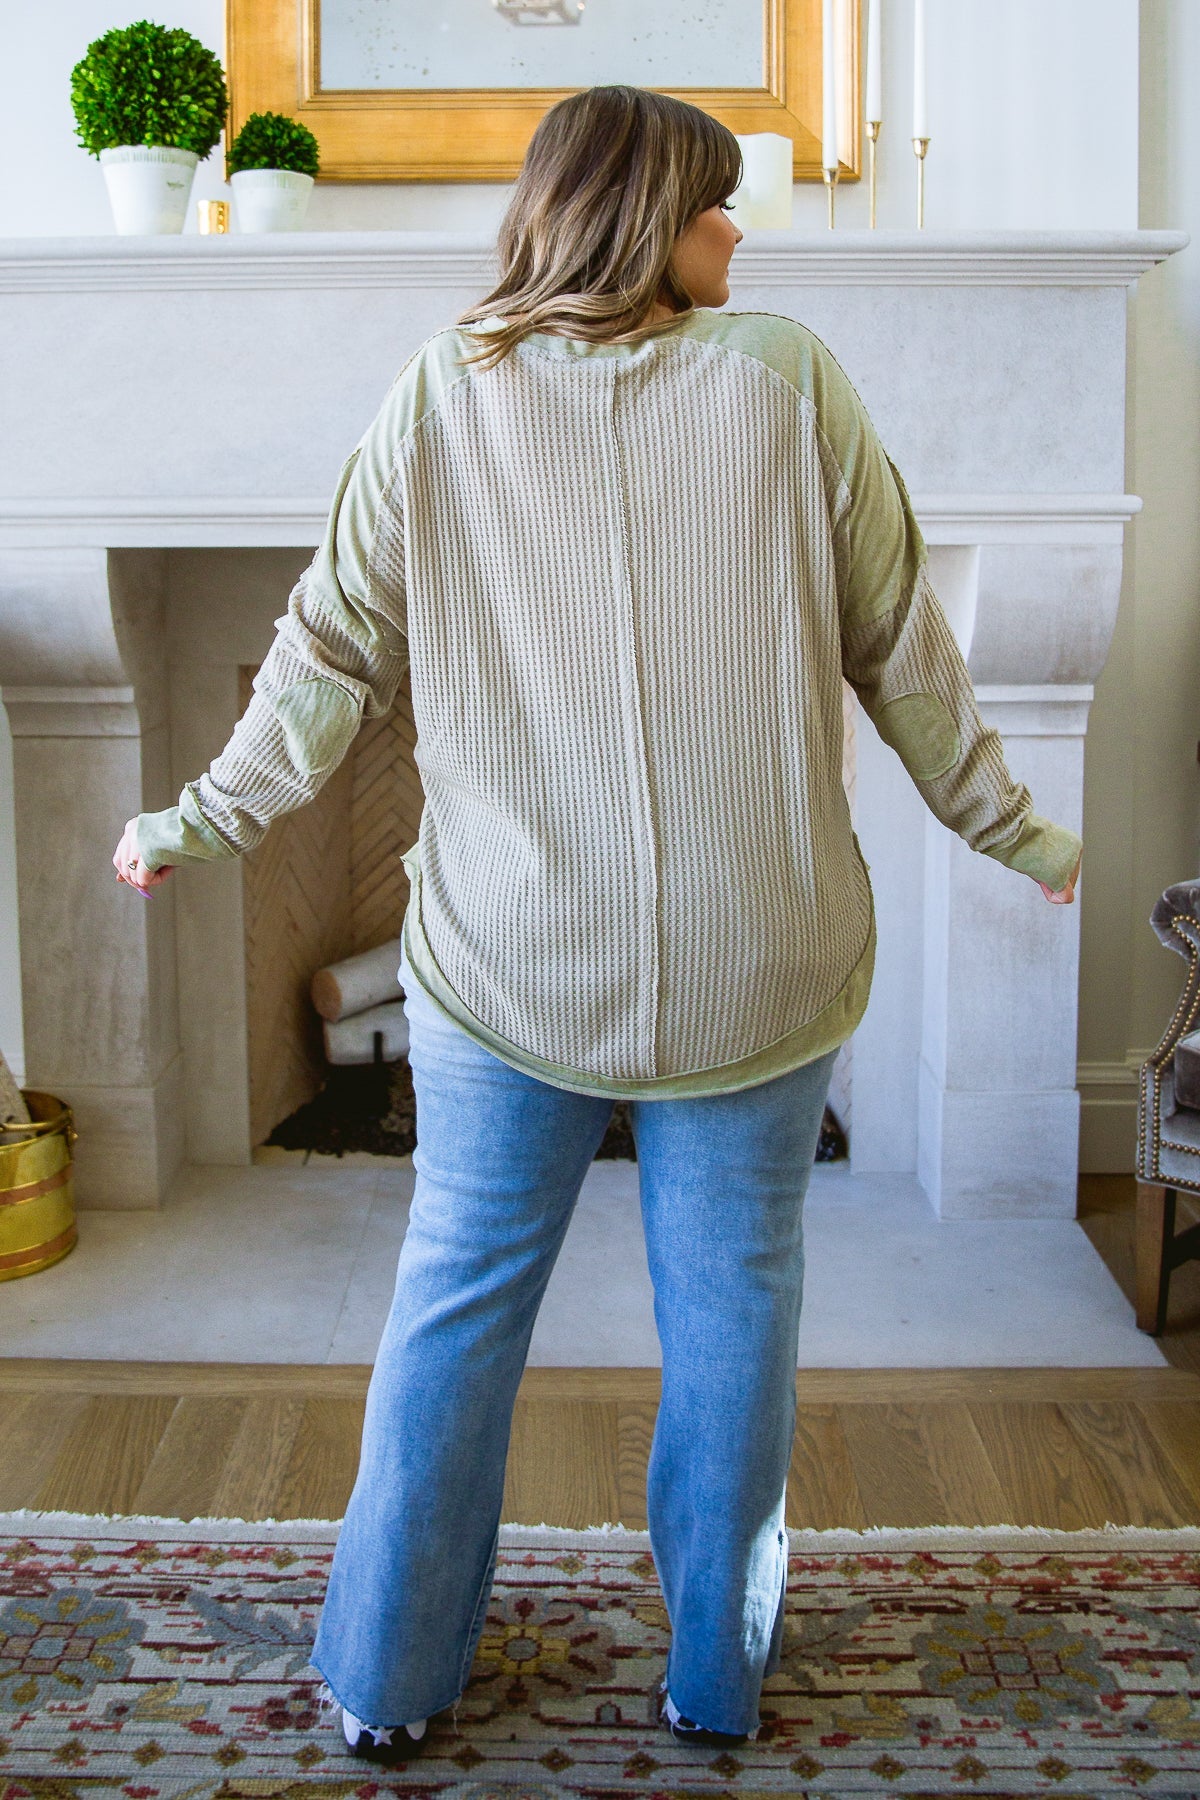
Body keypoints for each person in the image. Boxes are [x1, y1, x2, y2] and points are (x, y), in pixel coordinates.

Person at [113, 85, 1082, 1765]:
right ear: (643, 219)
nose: (734, 234)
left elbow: (323, 656)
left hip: (508, 958)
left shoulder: (444, 390)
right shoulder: (789, 383)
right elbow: (903, 650)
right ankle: (715, 1678)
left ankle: (386, 1680)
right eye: (714, 206)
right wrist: (1014, 829)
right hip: (757, 964)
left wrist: (201, 818)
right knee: (735, 1319)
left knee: (455, 1307)